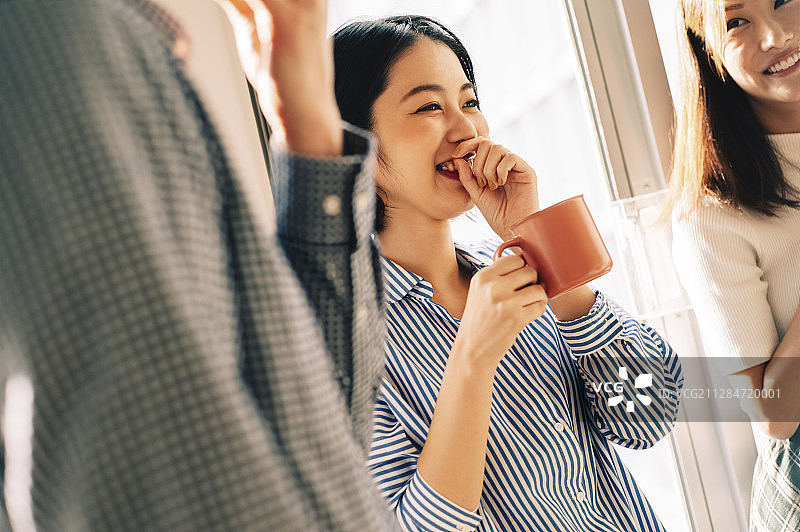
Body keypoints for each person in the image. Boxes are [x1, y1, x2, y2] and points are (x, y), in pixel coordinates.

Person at [0, 0, 397, 530]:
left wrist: (306, 112)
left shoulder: (112, 41)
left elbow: (323, 455)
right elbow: (177, 483)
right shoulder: (50, 37)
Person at [332, 15, 683, 532]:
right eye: (429, 106)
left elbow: (650, 413)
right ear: (354, 140)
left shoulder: (513, 268)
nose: (467, 129)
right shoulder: (342, 340)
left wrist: (533, 236)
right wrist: (473, 359)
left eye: (470, 102)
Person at [667, 0, 800, 530]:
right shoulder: (711, 211)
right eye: (736, 22)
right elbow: (774, 414)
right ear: (709, 53)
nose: (774, 37)